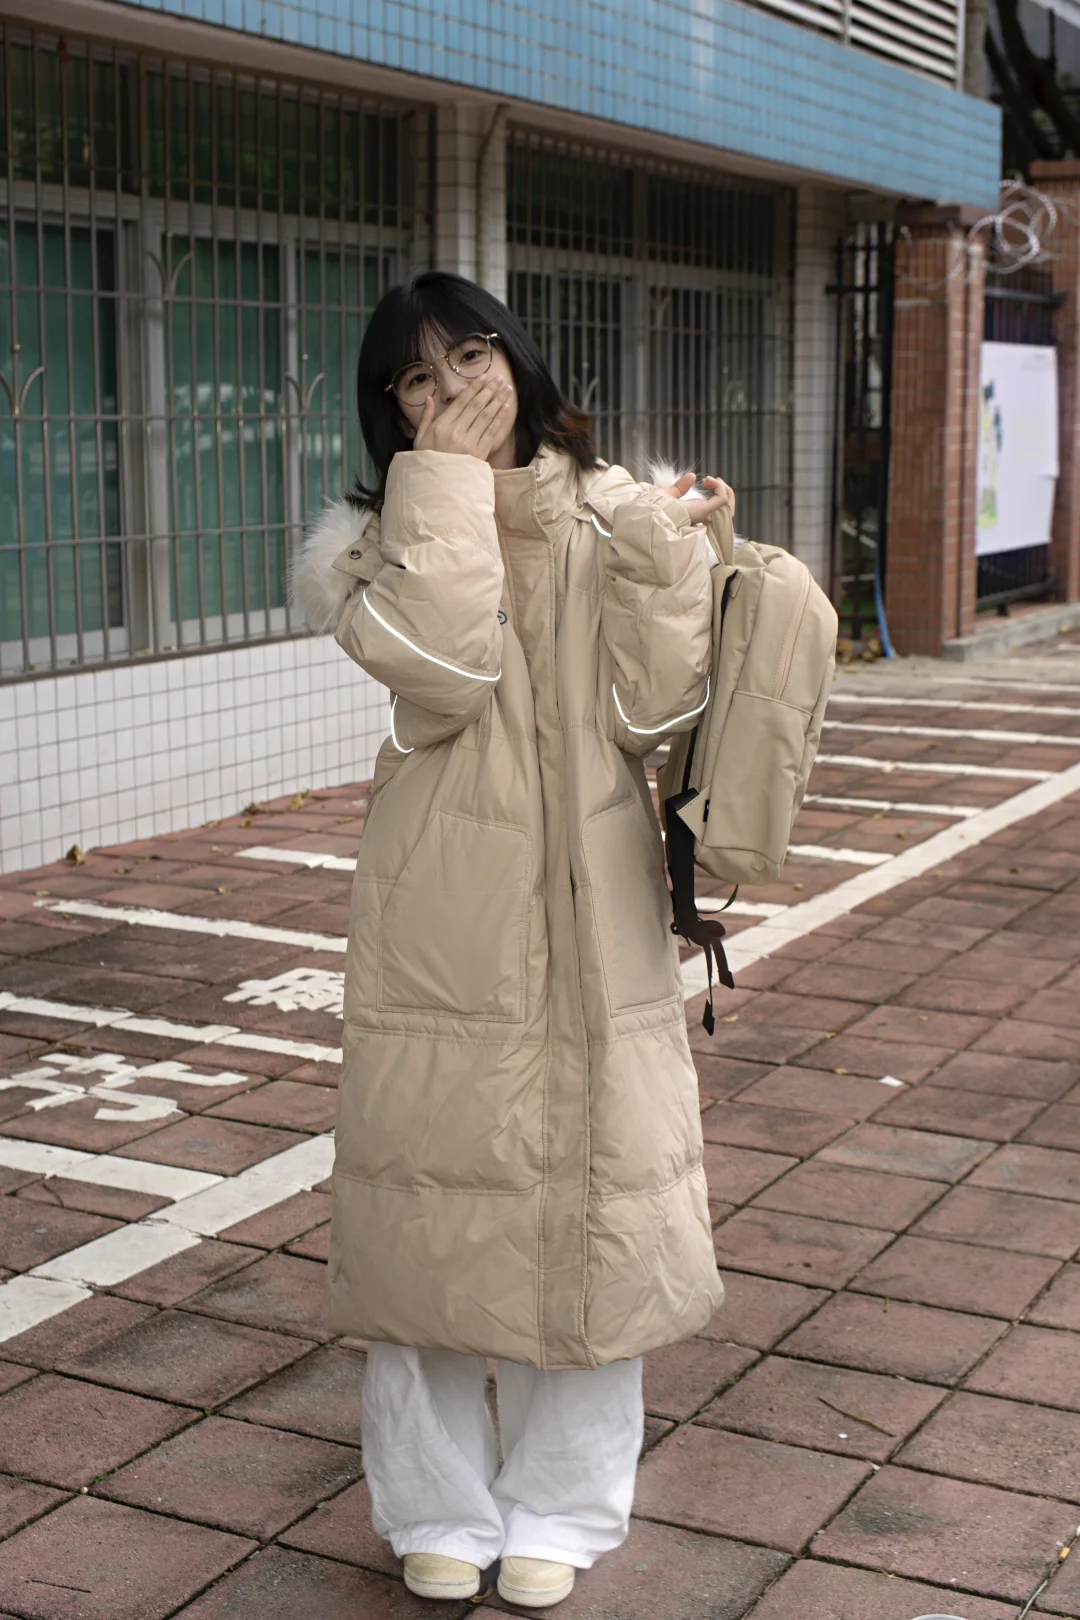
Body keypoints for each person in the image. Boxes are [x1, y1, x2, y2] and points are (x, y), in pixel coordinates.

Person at [291, 271, 731, 1610]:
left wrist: (667, 555)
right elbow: (449, 673)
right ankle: (434, 1504)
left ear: (518, 358)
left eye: (469, 357)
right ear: (390, 414)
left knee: (595, 1205)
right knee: (430, 1207)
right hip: (442, 911)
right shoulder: (370, 550)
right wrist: (442, 489)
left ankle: (566, 1506)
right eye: (415, 381)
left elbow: (659, 713)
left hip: (600, 905)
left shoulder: (608, 510)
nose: (452, 393)